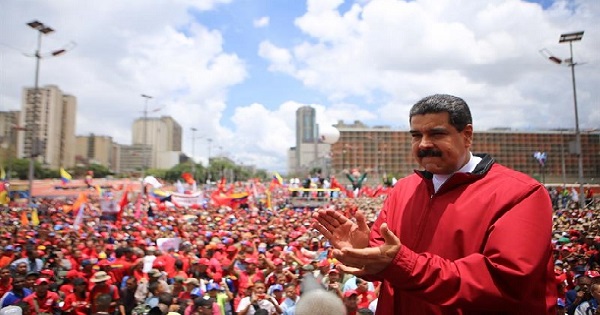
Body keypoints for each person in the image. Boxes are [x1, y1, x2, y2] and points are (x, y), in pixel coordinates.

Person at [314, 94, 556, 314]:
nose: (423, 144)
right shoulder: (403, 189)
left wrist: (403, 264)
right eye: (416, 135)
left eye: (436, 134)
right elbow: (386, 259)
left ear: (467, 135)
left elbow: (505, 281)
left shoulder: (521, 194)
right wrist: (362, 251)